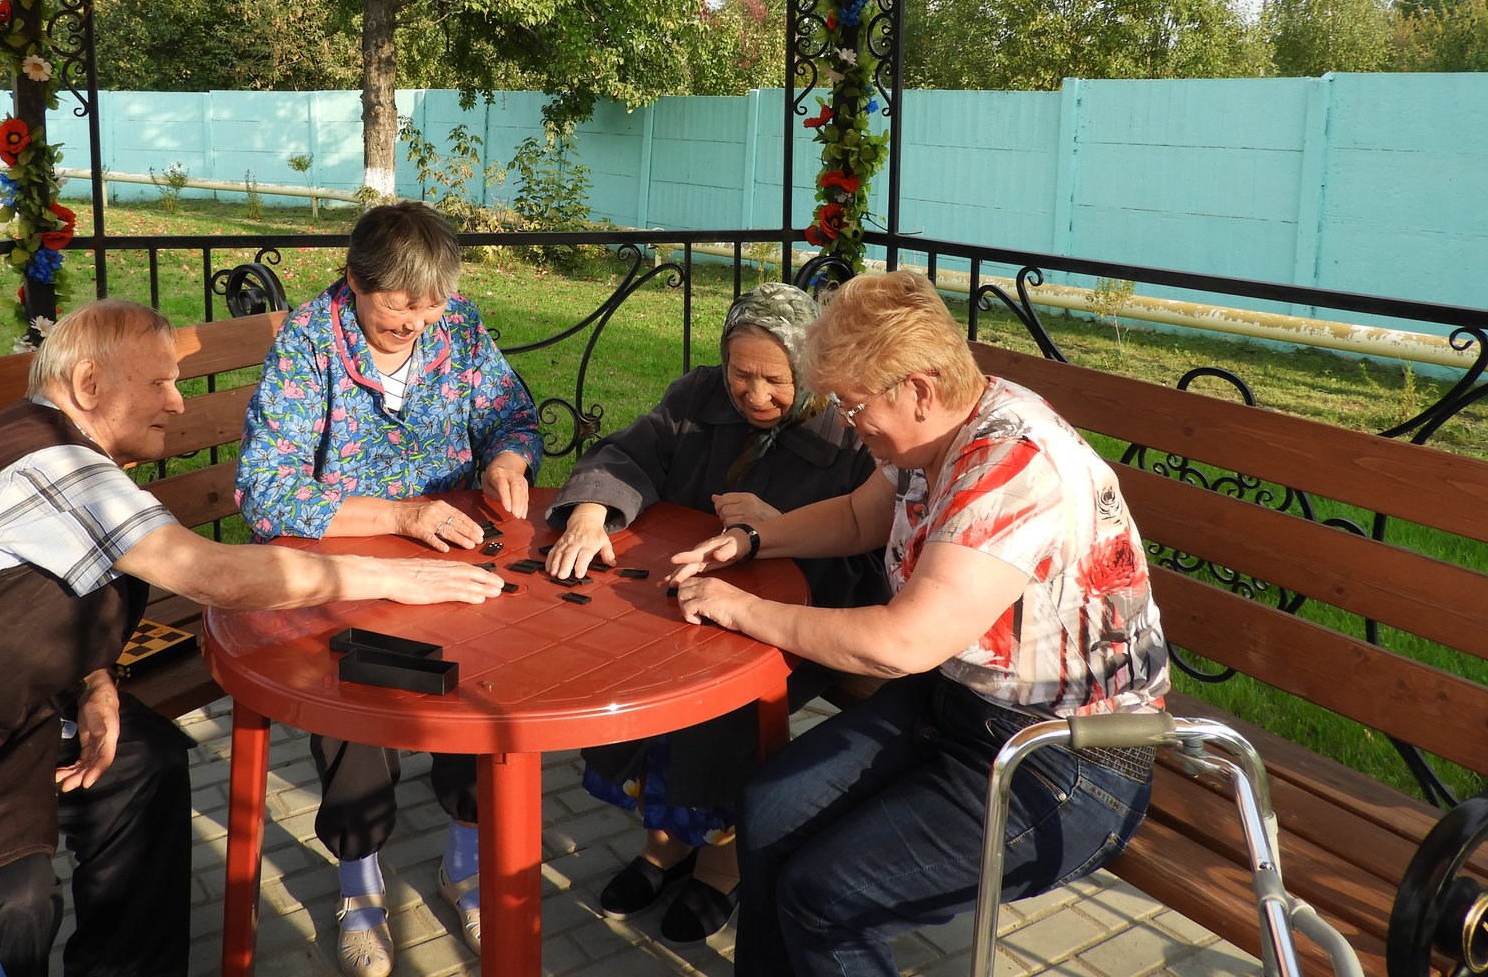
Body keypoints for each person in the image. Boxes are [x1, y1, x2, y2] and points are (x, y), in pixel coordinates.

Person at [0, 299, 501, 977]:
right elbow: (212, 575)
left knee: (144, 764)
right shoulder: (52, 464)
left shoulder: (59, 454)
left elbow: (33, 601)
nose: (177, 402)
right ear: (89, 383)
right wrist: (393, 578)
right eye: (160, 382)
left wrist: (92, 679)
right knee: (13, 898)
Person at [668, 270, 1169, 977]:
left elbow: (900, 644)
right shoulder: (939, 431)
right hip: (958, 704)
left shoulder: (1012, 467)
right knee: (769, 807)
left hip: (1065, 757)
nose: (847, 423)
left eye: (852, 405)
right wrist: (753, 541)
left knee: (828, 896)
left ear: (919, 389)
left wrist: (742, 608)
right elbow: (858, 517)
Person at [234, 199, 541, 977]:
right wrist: (400, 515)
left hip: (452, 549)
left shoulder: (456, 327)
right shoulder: (309, 343)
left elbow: (511, 416)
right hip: (345, 563)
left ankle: (465, 863)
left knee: (486, 682)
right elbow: (264, 490)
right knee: (356, 705)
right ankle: (360, 885)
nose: (415, 323)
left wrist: (507, 460)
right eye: (398, 306)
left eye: (428, 306)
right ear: (353, 279)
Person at [541, 281, 884, 943]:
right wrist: (591, 510)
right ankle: (664, 847)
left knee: (720, 705)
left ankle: (721, 867)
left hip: (800, 617)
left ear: (810, 367)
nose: (754, 395)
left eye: (776, 379)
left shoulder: (847, 432)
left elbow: (873, 560)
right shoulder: (698, 396)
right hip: (693, 597)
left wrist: (778, 529)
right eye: (740, 374)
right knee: (636, 669)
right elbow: (629, 452)